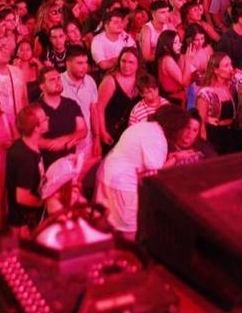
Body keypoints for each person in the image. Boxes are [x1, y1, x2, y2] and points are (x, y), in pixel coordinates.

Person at [97, 105, 189, 239]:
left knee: (103, 224)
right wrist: (175, 159)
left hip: (107, 176)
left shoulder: (143, 126)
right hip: (122, 185)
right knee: (127, 231)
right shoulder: (157, 137)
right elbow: (157, 171)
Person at [4, 105, 47, 236]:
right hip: (24, 225)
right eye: (45, 119)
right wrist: (45, 203)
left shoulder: (27, 145)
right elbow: (22, 197)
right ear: (36, 128)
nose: (48, 119)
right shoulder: (24, 157)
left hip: (27, 220)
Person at [37, 68, 86, 168]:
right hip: (44, 163)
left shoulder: (72, 104)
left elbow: (83, 130)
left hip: (69, 162)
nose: (58, 82)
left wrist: (65, 139)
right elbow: (30, 138)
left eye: (58, 78)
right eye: (52, 80)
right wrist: (52, 144)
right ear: (42, 87)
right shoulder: (35, 108)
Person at [96, 47, 141, 153]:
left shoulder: (140, 80)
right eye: (123, 61)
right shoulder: (110, 81)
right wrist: (103, 132)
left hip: (128, 130)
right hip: (110, 129)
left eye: (131, 62)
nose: (126, 65)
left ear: (138, 64)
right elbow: (99, 109)